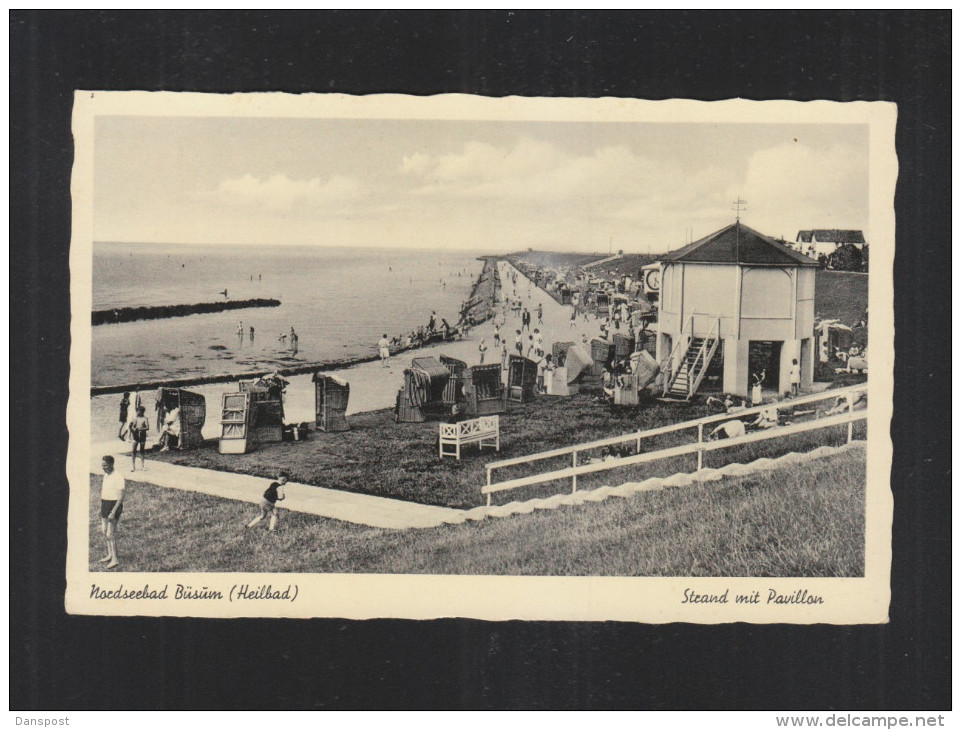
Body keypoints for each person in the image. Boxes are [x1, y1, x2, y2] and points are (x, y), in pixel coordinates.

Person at [99, 455, 125, 570]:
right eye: (102, 465)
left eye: (105, 465)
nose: (103, 467)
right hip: (105, 504)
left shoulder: (118, 477)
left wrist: (113, 512)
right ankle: (110, 554)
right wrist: (101, 509)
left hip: (114, 506)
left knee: (110, 533)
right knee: (104, 531)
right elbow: (104, 493)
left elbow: (120, 498)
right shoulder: (106, 475)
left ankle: (115, 559)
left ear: (111, 464)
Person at [129, 405, 150, 471]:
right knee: (133, 451)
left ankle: (142, 466)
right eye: (137, 411)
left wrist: (141, 428)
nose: (137, 412)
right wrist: (133, 428)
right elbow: (132, 426)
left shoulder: (145, 418)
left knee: (142, 451)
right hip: (136, 436)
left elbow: (147, 427)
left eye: (138, 411)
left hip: (142, 435)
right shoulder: (135, 418)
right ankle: (133, 466)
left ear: (142, 411)